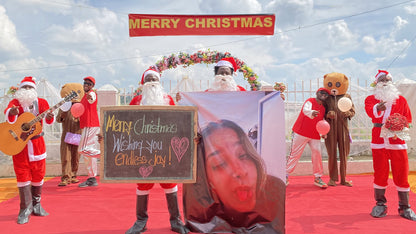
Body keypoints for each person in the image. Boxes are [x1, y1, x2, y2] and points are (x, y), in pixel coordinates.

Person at [185, 119, 285, 233]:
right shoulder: (203, 213)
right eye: (220, 163)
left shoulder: (274, 190)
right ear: (207, 178)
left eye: (243, 155)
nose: (240, 171)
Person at [126, 68, 189, 234]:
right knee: (143, 183)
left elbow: (178, 123)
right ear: (144, 83)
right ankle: (141, 221)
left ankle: (176, 221)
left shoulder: (168, 99)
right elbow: (125, 124)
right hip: (142, 151)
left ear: (159, 82)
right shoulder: (137, 101)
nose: (152, 82)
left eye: (155, 79)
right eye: (149, 79)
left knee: (169, 182)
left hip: (165, 150)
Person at [364, 70, 415, 221]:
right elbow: (370, 112)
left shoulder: (401, 100)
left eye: (388, 80)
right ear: (376, 84)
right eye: (382, 80)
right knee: (380, 172)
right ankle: (380, 204)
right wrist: (377, 109)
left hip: (397, 141)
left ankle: (405, 207)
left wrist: (401, 127)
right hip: (379, 141)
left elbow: (408, 120)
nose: (385, 82)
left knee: (402, 172)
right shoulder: (370, 99)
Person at [4, 76, 54, 224]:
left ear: (34, 90)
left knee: (39, 174)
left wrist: (50, 117)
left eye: (29, 88)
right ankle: (25, 208)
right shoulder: (15, 103)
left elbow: (49, 122)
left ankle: (37, 206)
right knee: (22, 176)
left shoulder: (42, 103)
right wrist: (12, 113)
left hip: (37, 145)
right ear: (19, 90)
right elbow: (9, 118)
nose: (27, 90)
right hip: (19, 146)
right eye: (24, 88)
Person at [286, 87, 330, 188]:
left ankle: (318, 178)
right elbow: (306, 109)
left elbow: (321, 122)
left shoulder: (323, 108)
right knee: (295, 154)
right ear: (317, 93)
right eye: (322, 92)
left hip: (314, 134)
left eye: (326, 94)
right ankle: (285, 175)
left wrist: (323, 132)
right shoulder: (310, 101)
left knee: (317, 154)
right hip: (300, 132)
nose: (324, 95)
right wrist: (311, 112)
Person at [323, 72, 355, 187]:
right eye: (330, 84)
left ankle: (344, 178)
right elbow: (322, 112)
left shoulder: (347, 97)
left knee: (344, 154)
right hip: (330, 129)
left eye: (337, 84)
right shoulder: (326, 98)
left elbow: (353, 111)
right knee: (331, 154)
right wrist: (327, 115)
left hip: (343, 128)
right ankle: (332, 178)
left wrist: (348, 113)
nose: (334, 87)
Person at [56, 83, 84, 186]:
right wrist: (63, 113)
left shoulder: (81, 107)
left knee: (75, 156)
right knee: (65, 157)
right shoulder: (64, 106)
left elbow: (85, 121)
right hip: (66, 134)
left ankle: (73, 175)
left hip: (77, 133)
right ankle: (65, 178)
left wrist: (79, 116)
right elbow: (58, 119)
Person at [77, 76, 101, 187]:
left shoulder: (91, 94)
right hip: (88, 125)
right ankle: (92, 178)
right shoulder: (84, 96)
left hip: (90, 125)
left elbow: (92, 98)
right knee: (88, 155)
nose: (86, 84)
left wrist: (90, 95)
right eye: (85, 83)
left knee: (82, 149)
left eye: (89, 83)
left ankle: (104, 156)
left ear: (92, 86)